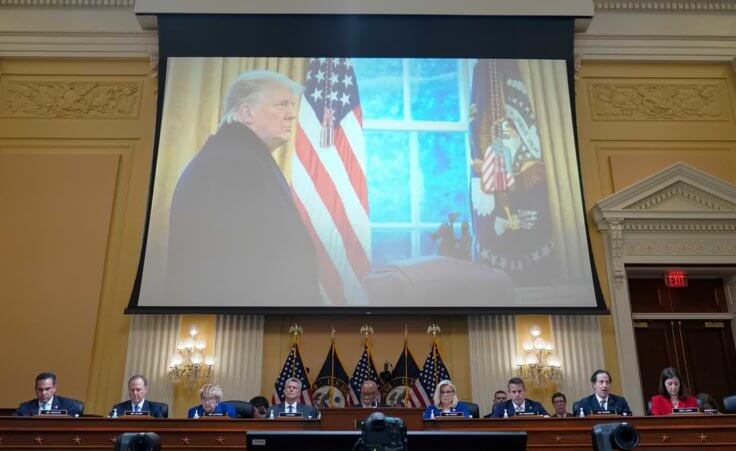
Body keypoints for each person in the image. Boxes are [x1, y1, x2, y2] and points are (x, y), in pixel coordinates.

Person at [166, 70, 322, 307]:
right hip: (248, 323)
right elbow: (249, 258)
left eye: (292, 105)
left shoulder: (234, 154)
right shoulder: (235, 162)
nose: (292, 115)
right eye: (282, 105)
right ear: (246, 112)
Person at [14, 372, 82, 416]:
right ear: (35, 389)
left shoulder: (68, 405)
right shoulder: (24, 407)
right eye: (40, 389)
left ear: (54, 388)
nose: (43, 393)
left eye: (47, 389)